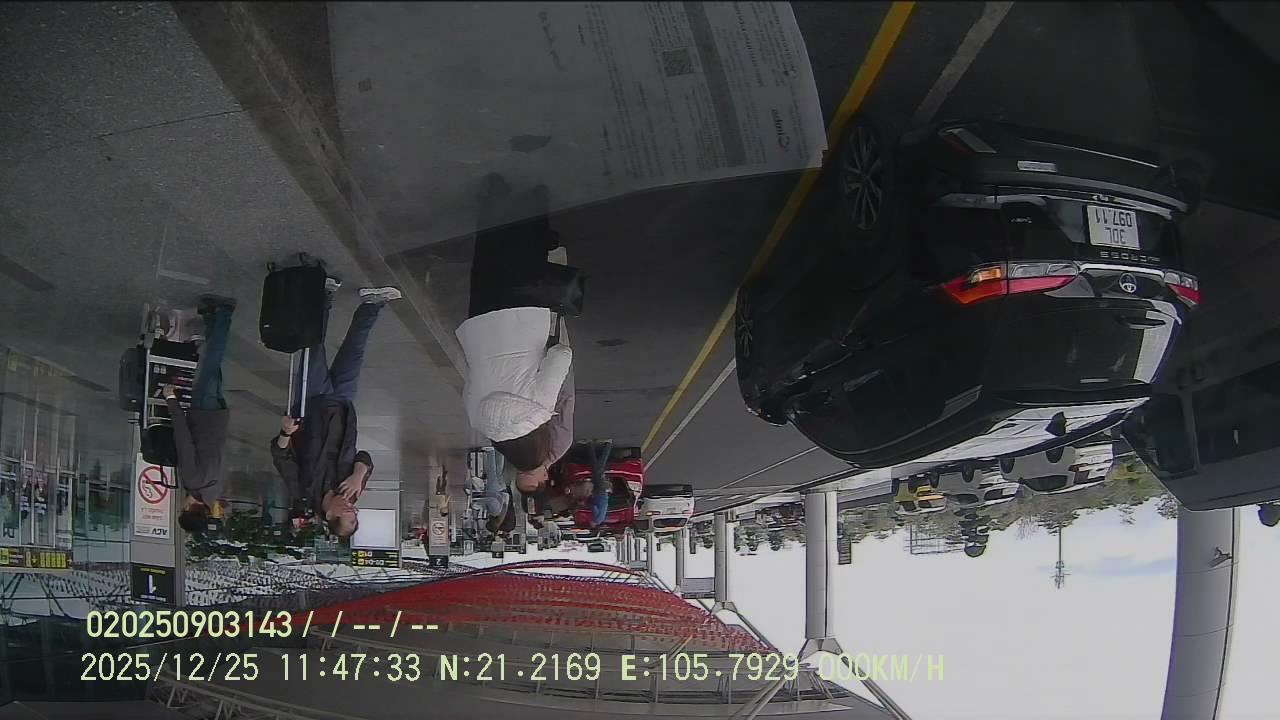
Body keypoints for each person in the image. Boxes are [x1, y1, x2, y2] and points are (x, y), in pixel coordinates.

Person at [456, 174, 577, 497]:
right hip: (481, 326)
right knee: (487, 265)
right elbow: (469, 382)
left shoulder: (538, 410)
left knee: (526, 260)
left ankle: (534, 199)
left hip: (525, 322)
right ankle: (494, 196)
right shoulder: (477, 420)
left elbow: (561, 356)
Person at [270, 280, 401, 538]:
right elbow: (365, 458)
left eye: (347, 514)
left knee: (313, 345)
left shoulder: (303, 490)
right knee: (355, 351)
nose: (352, 508)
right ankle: (372, 303)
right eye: (355, 514)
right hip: (342, 406)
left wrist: (286, 433)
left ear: (330, 515)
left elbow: (281, 456)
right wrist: (358, 475)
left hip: (312, 404)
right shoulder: (352, 491)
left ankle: (322, 296)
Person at [167, 295, 237, 533]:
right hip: (202, 414)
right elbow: (183, 440)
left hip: (219, 418)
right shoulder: (192, 480)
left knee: (213, 368)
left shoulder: (214, 491)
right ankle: (223, 314)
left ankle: (211, 318)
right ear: (187, 509)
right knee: (210, 362)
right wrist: (171, 400)